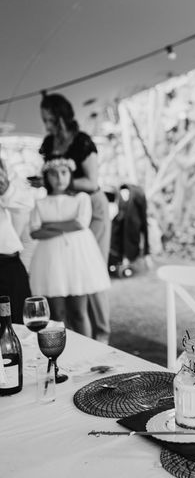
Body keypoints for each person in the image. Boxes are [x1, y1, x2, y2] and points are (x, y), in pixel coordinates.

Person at [38, 93, 111, 343]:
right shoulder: (49, 143)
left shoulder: (82, 142)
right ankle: (75, 334)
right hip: (65, 209)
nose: (46, 125)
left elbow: (91, 181)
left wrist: (62, 179)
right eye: (44, 120)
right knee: (69, 272)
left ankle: (101, 335)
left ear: (62, 116)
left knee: (92, 270)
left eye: (50, 119)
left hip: (92, 204)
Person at [29, 158, 110, 335]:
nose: (59, 178)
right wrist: (67, 226)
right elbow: (34, 232)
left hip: (77, 259)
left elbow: (80, 223)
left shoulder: (81, 198)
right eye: (53, 174)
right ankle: (60, 351)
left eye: (64, 173)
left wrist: (48, 226)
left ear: (70, 174)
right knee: (57, 313)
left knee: (78, 311)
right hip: (51, 261)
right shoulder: (41, 204)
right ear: (46, 177)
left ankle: (86, 350)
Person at [0, 158, 34, 323]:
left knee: (20, 324)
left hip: (7, 264)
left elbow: (27, 203)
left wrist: (7, 190)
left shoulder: (4, 167)